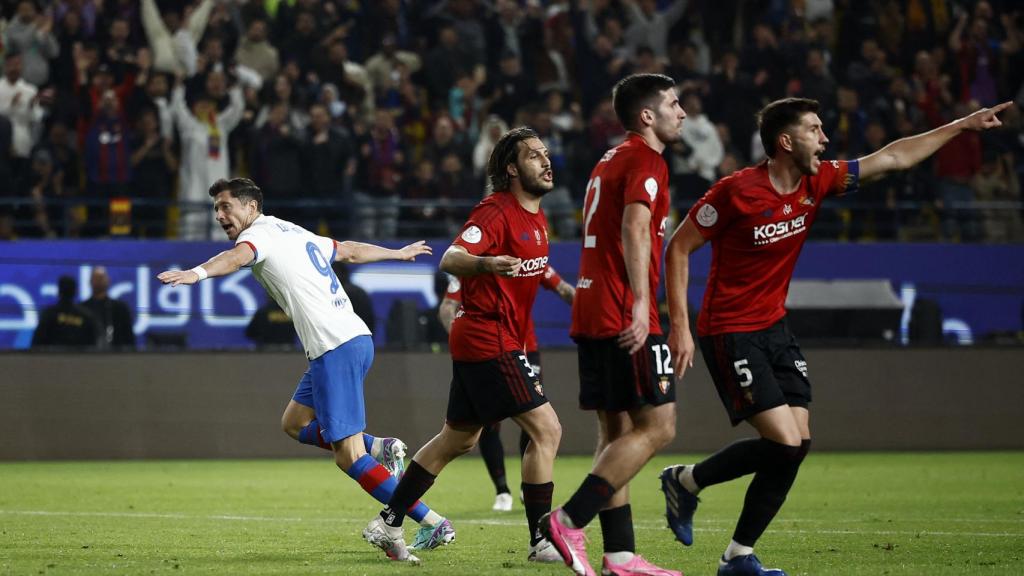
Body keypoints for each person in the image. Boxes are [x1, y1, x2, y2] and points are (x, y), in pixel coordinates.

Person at [660, 97, 1013, 576]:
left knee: (797, 444)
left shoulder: (819, 180)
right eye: (815, 129)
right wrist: (679, 325)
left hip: (774, 327)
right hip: (730, 330)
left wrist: (962, 125)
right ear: (786, 141)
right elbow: (679, 247)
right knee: (785, 443)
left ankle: (736, 553)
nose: (825, 139)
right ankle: (687, 482)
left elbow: (893, 157)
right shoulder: (735, 191)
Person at [157, 177, 454, 553]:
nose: (219, 215)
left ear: (251, 207)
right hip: (353, 340)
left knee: (349, 457)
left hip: (334, 347)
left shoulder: (258, 236)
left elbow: (235, 258)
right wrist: (396, 253)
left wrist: (195, 274)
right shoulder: (291, 230)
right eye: (216, 208)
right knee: (294, 423)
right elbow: (348, 251)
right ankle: (380, 447)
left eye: (226, 206)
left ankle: (432, 522)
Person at [363, 127, 563, 565]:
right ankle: (541, 540)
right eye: (534, 155)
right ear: (512, 169)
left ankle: (389, 521)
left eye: (546, 153)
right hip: (487, 335)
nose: (546, 161)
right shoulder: (495, 211)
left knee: (457, 439)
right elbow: (450, 258)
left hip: (491, 337)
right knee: (547, 430)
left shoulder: (537, 218)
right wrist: (487, 263)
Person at [539, 73, 685, 576]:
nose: (682, 112)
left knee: (616, 430)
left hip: (591, 304)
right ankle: (569, 520)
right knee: (659, 425)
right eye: (673, 104)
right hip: (622, 308)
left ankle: (620, 554)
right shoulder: (646, 159)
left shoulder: (609, 159)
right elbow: (635, 227)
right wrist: (644, 304)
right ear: (647, 116)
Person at [439, 265, 574, 512]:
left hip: (525, 349)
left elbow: (564, 289)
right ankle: (502, 491)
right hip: (487, 350)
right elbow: (447, 306)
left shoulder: (534, 262)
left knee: (537, 418)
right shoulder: (475, 265)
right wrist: (460, 338)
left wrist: (592, 311)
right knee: (486, 425)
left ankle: (528, 482)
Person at [32, 276, 100, 349]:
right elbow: (94, 345)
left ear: (59, 291)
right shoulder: (86, 316)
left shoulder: (49, 314)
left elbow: (36, 343)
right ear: (75, 292)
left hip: (53, 355)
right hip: (79, 356)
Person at [83, 266, 136, 349]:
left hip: (117, 353)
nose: (99, 281)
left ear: (108, 281)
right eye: (96, 278)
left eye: (101, 278)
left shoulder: (120, 308)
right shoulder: (82, 309)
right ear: (90, 281)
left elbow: (129, 337)